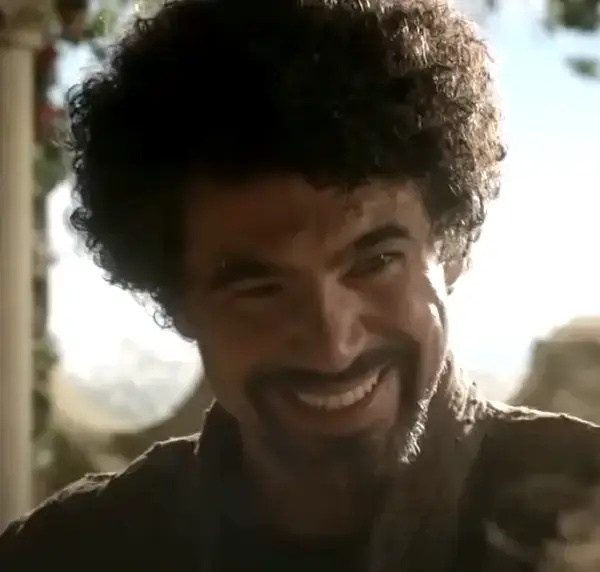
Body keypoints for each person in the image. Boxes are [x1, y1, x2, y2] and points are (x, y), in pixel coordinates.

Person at [2, 0, 600, 570]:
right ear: (178, 302)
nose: (332, 344)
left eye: (375, 262)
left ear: (449, 250)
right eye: (259, 287)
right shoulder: (68, 556)